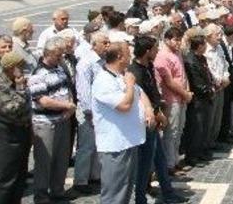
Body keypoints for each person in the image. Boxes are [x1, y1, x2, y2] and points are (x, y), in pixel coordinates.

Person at [92, 41, 154, 204]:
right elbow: (124, 105)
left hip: (129, 140)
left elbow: (140, 94)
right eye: (128, 53)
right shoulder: (103, 81)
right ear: (120, 57)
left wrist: (148, 109)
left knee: (125, 190)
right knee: (114, 193)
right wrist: (130, 84)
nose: (131, 56)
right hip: (115, 145)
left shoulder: (122, 75)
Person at [128, 36, 187, 204]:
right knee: (145, 164)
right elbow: (140, 99)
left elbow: (154, 91)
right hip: (144, 123)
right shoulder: (135, 71)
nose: (157, 52)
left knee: (159, 159)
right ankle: (140, 196)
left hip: (154, 119)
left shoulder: (148, 66)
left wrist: (159, 109)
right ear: (147, 51)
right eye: (154, 49)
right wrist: (155, 112)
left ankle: (167, 192)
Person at [29, 37, 77, 204]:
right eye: (58, 55)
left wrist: (69, 108)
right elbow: (43, 100)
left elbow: (67, 88)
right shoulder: (38, 74)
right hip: (45, 123)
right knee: (45, 160)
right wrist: (67, 106)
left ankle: (58, 190)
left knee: (62, 158)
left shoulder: (59, 69)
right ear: (48, 53)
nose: (61, 58)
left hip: (62, 119)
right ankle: (41, 195)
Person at [72, 31, 109, 195]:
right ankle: (80, 180)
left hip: (100, 110)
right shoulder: (86, 63)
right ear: (94, 45)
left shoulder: (103, 61)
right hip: (89, 112)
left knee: (97, 145)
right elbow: (84, 90)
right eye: (104, 43)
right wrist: (90, 111)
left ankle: (94, 175)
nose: (107, 46)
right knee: (86, 146)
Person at [154, 27, 192, 174]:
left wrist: (187, 90)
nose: (178, 42)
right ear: (167, 40)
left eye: (179, 39)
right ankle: (169, 164)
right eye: (175, 39)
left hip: (181, 97)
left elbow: (182, 74)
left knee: (179, 130)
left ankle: (175, 160)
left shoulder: (177, 53)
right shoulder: (162, 56)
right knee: (171, 132)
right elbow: (168, 81)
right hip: (172, 99)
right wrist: (184, 93)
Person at [0, 52, 32, 204]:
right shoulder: (1, 84)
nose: (23, 69)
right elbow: (11, 109)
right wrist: (20, 88)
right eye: (21, 66)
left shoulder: (17, 80)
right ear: (12, 68)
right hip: (7, 134)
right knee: (7, 179)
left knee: (20, 176)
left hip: (22, 131)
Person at [183, 29, 216, 165]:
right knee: (196, 128)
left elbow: (207, 74)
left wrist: (212, 85)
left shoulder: (201, 58)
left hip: (206, 97)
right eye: (204, 45)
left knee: (204, 127)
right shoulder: (191, 61)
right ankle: (192, 155)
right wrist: (208, 90)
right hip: (198, 99)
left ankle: (201, 151)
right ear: (199, 46)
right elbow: (196, 82)